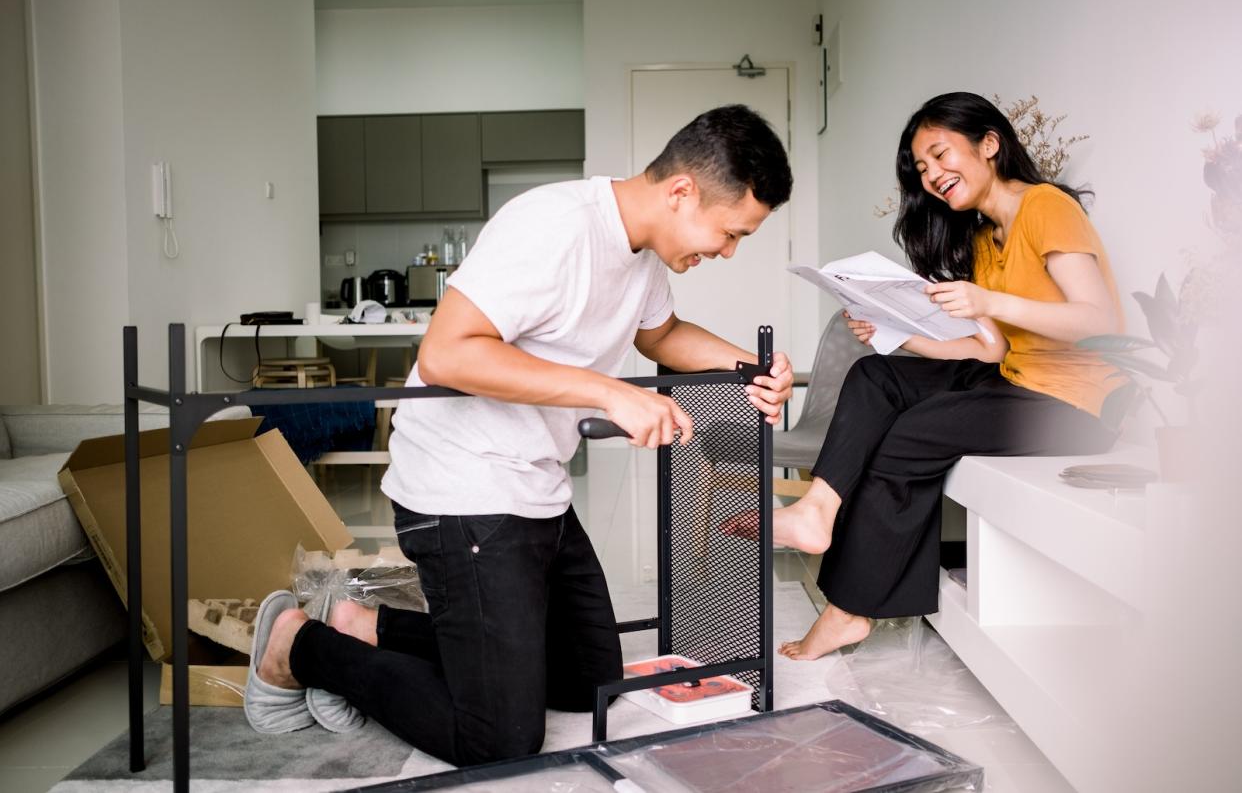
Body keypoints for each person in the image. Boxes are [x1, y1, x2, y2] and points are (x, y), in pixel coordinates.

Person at [243, 105, 795, 764]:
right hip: (461, 488)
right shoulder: (556, 226)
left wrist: (750, 366)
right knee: (499, 738)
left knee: (588, 677)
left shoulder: (644, 256)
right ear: (681, 192)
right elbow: (448, 353)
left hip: (536, 483)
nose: (728, 252)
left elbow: (663, 336)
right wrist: (607, 391)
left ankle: (367, 624)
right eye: (730, 232)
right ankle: (298, 646)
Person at [735, 91, 1125, 660]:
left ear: (990, 144)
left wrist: (987, 299)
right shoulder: (983, 235)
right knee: (875, 376)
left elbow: (1099, 320)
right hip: (1013, 379)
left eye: (941, 155)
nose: (933, 175)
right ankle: (817, 509)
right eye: (922, 168)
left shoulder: (1046, 208)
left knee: (908, 436)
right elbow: (990, 351)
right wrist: (896, 334)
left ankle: (847, 613)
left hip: (1072, 404)